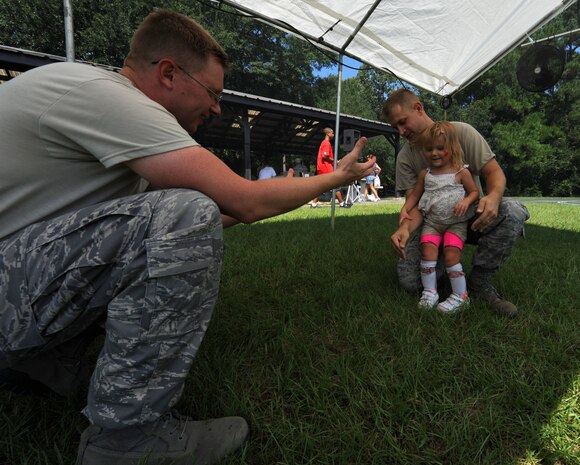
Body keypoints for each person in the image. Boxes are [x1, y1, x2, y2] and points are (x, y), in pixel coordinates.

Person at [0, 10, 376, 465]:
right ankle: (127, 442)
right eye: (213, 93)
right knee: (185, 211)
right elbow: (240, 201)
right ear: (168, 73)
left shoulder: (99, 108)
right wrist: (332, 180)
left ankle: (36, 366)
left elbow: (216, 215)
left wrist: (234, 211)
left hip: (13, 275)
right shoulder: (108, 97)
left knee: (184, 215)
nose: (217, 107)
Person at [383, 89, 529, 318]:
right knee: (410, 282)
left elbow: (494, 173)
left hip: (472, 218)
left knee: (512, 211)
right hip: (435, 223)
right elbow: (416, 206)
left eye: (402, 122)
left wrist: (492, 197)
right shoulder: (406, 158)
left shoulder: (461, 132)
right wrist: (404, 229)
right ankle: (442, 269)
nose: (401, 132)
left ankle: (480, 282)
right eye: (395, 128)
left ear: (419, 108)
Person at [399, 121, 479, 313]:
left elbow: (474, 192)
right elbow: (415, 196)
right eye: (429, 149)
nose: (434, 153)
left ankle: (461, 296)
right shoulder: (425, 174)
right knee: (427, 254)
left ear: (451, 148)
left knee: (452, 255)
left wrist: (466, 201)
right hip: (432, 224)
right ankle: (430, 292)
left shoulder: (461, 172)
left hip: (455, 224)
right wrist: (405, 208)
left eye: (440, 148)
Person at [310, 128, 350, 208]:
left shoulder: (324, 143)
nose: (333, 135)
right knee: (335, 184)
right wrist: (336, 161)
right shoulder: (326, 143)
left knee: (321, 187)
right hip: (325, 167)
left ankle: (313, 204)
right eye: (332, 133)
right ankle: (342, 204)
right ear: (328, 134)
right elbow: (324, 156)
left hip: (322, 167)